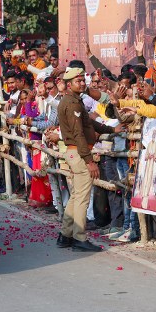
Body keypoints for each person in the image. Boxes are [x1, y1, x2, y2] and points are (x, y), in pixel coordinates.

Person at [56, 67, 123, 252]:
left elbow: (89, 123)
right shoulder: (73, 104)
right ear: (69, 85)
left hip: (75, 152)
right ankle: (79, 237)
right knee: (82, 199)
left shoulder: (72, 101)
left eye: (82, 80)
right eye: (78, 81)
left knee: (76, 195)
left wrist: (111, 130)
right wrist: (90, 161)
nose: (82, 83)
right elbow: (79, 134)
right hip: (79, 152)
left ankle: (66, 234)